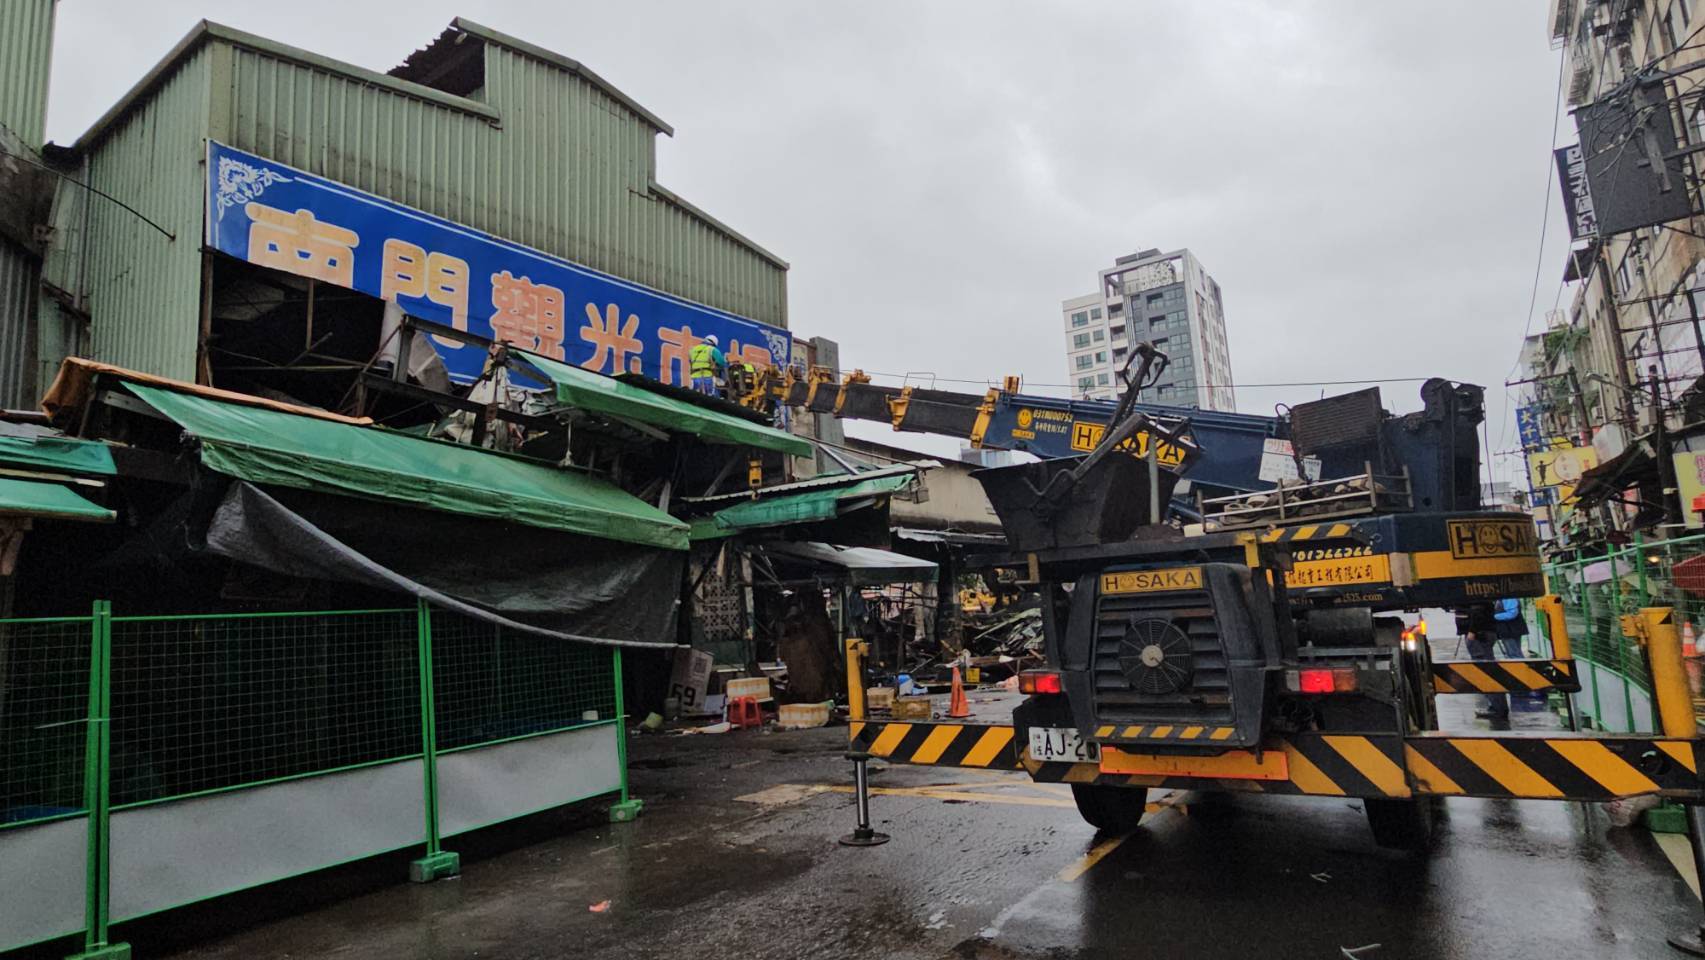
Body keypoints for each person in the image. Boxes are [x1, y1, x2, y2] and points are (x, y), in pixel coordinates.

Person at [1462, 601, 1511, 720]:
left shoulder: (1476, 597)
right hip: (1483, 633)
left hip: (1480, 635)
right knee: (1488, 670)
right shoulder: (1483, 597)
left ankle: (1497, 708)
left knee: (1486, 672)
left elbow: (1478, 611)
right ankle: (1497, 707)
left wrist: (1472, 631)